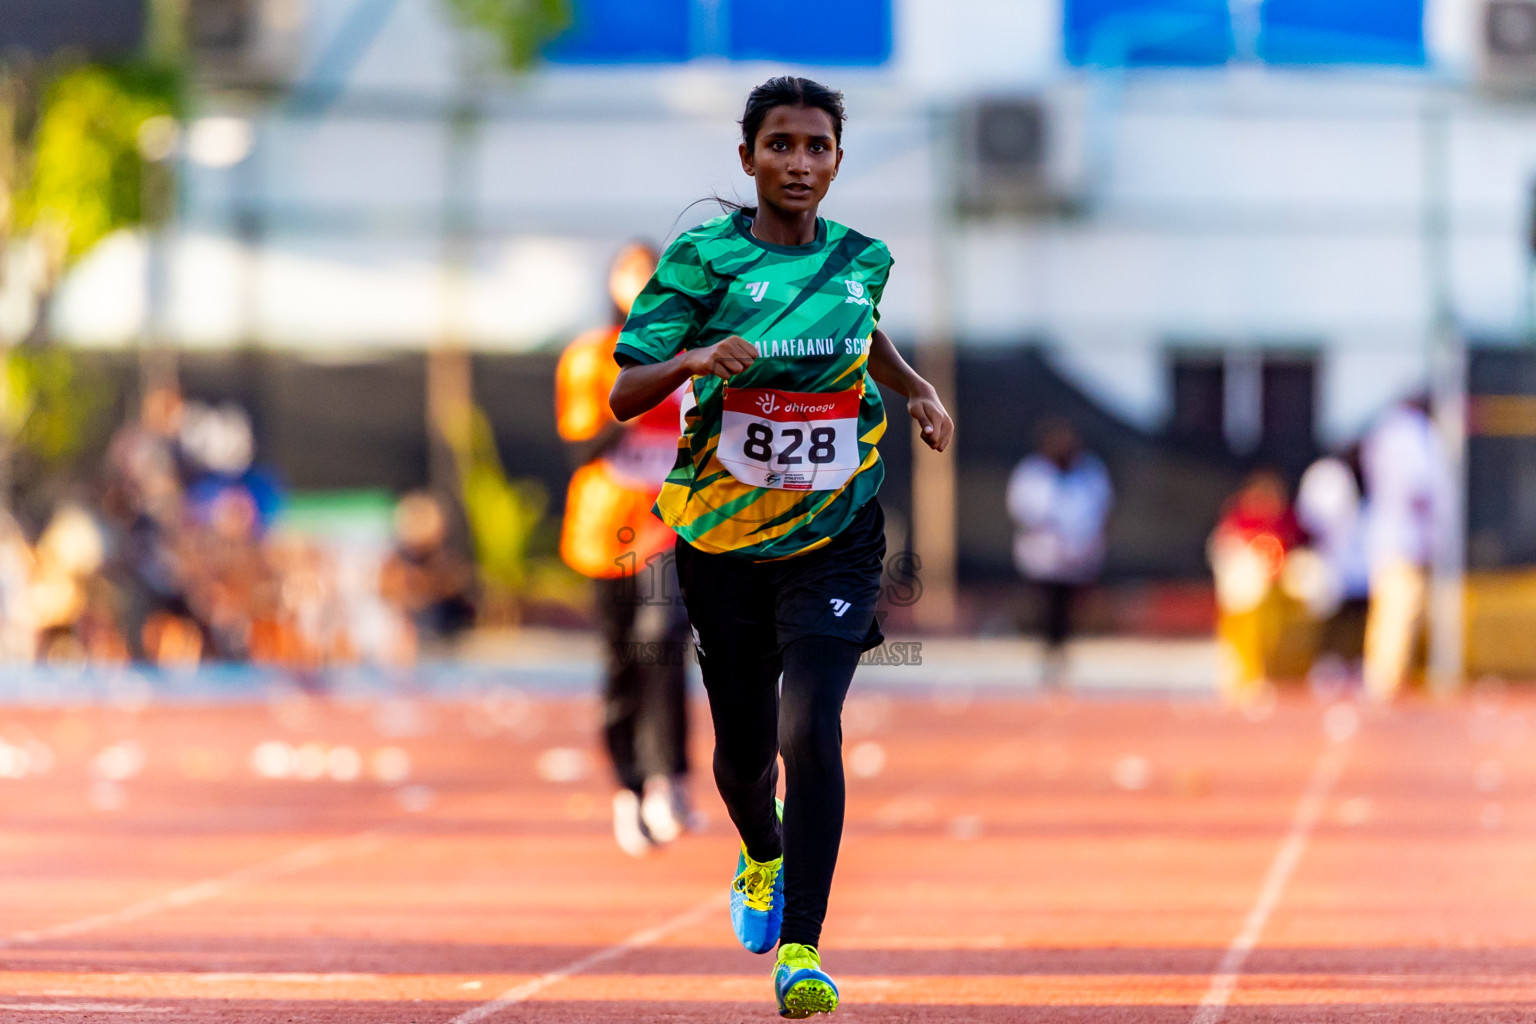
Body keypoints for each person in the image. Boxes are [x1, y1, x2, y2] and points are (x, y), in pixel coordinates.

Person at [608, 76, 954, 1019]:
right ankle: (760, 855)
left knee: (813, 728)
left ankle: (801, 946)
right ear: (748, 157)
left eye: (817, 148)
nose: (800, 163)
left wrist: (916, 388)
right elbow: (625, 392)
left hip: (834, 532)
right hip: (720, 537)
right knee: (740, 758)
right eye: (781, 146)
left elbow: (861, 335)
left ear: (839, 160)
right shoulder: (702, 262)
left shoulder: (863, 258)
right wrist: (690, 361)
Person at [555, 242, 694, 858]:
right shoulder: (589, 358)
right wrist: (634, 398)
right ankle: (627, 788)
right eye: (630, 272)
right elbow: (581, 449)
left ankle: (669, 778)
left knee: (663, 642)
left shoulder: (692, 353)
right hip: (604, 532)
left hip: (671, 525)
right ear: (613, 283)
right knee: (621, 663)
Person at [1005, 419, 1113, 684]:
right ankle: (1049, 651)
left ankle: (1061, 651)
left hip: (1079, 558)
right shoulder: (1031, 474)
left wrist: (1087, 541)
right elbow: (1021, 512)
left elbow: (1104, 510)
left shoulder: (1091, 473)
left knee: (1069, 609)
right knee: (1047, 606)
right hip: (1042, 558)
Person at [1360, 397, 1449, 701]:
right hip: (1407, 538)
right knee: (1401, 611)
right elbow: (1419, 486)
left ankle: (1384, 678)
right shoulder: (1412, 433)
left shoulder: (1386, 431)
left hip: (1389, 534)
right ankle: (1387, 682)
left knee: (1389, 610)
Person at [1208, 470, 1305, 702]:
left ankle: (1264, 675)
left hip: (1273, 591)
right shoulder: (1238, 521)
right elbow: (1226, 555)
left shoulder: (1284, 521)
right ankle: (1241, 679)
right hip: (1244, 591)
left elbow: (1294, 546)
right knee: (1242, 633)